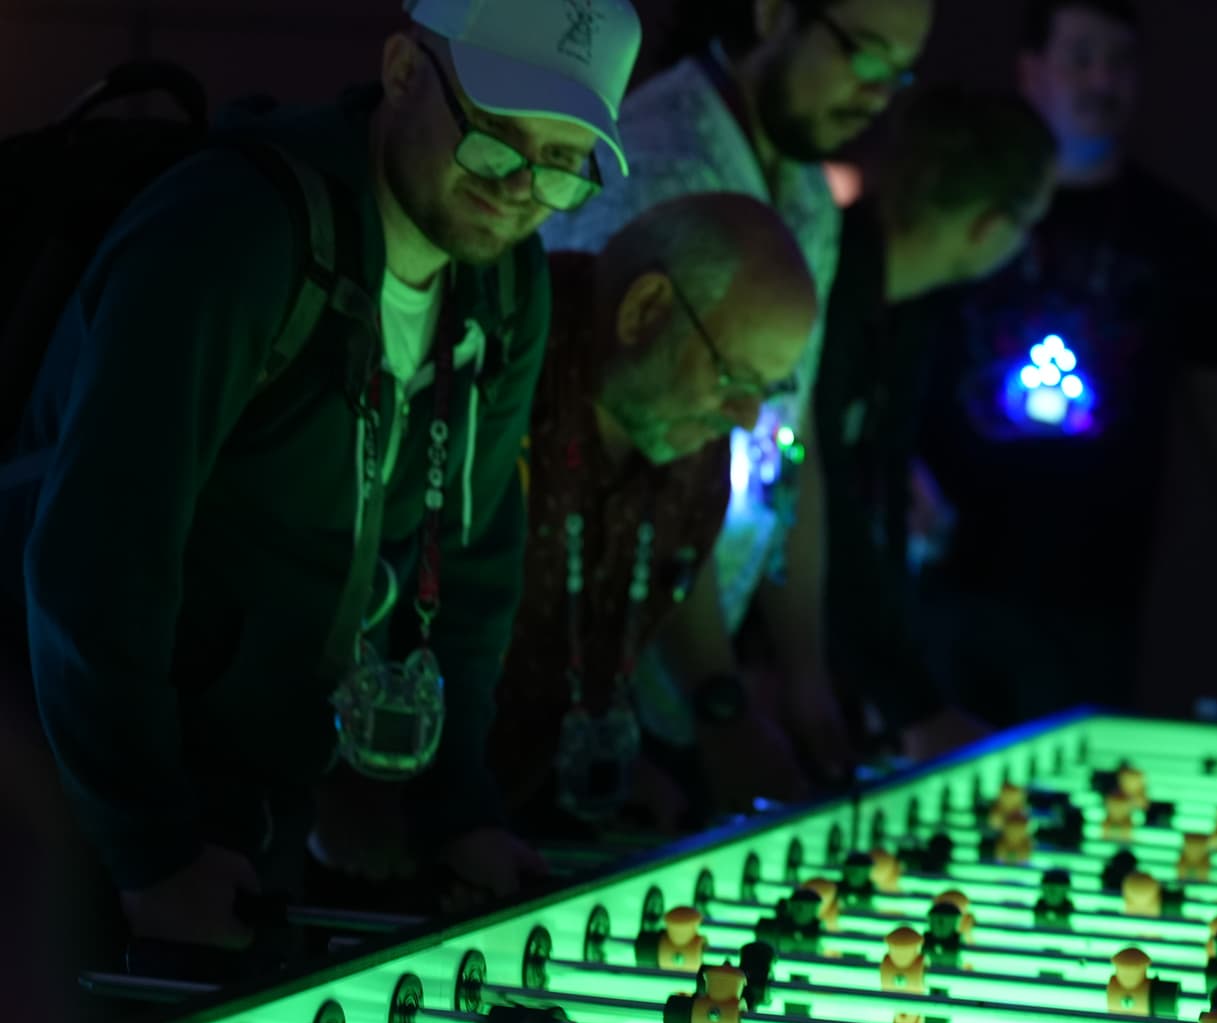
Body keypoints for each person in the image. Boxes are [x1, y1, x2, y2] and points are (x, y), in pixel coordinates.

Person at [0, 0, 642, 949]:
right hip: (59, 795)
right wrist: (150, 848)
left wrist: (457, 813)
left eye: (562, 164)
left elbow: (471, 567)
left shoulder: (507, 285)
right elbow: (97, 556)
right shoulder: (233, 233)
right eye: (498, 138)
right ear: (399, 69)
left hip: (251, 814)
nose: (520, 191)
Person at [544, 0, 935, 807]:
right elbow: (630, 463)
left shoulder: (810, 195)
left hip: (693, 674)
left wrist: (805, 673)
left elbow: (797, 445)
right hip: (587, 681)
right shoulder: (659, 162)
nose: (877, 95)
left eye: (898, 73)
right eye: (864, 55)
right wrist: (719, 701)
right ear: (771, 12)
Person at [914, 0, 1217, 726]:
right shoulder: (955, 209)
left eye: (1120, 61)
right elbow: (889, 358)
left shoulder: (1180, 236)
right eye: (1080, 57)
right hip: (943, 574)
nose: (1102, 80)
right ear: (1030, 70)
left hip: (1092, 590)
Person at [496, 193, 818, 830]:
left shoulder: (688, 429)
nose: (747, 416)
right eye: (734, 376)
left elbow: (667, 570)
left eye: (767, 389)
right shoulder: (502, 352)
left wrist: (719, 714)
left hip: (526, 817)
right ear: (645, 310)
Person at [814, 83, 1057, 763]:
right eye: (1027, 223)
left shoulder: (907, 305)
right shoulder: (832, 286)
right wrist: (912, 704)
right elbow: (819, 497)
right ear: (989, 227)